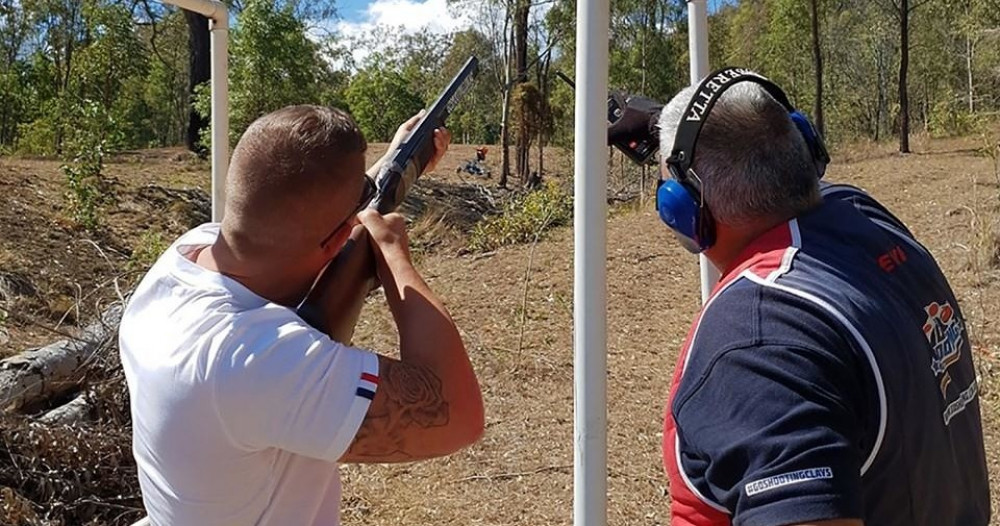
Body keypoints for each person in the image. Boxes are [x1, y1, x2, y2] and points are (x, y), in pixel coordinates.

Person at [617, 68, 990, 525]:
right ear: (806, 145)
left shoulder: (760, 336)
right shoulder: (860, 215)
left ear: (683, 209)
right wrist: (662, 126)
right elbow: (755, 147)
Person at [119, 105, 484, 525]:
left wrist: (398, 162)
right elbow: (458, 415)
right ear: (337, 239)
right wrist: (394, 257)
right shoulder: (249, 360)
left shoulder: (186, 257)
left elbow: (307, 222)